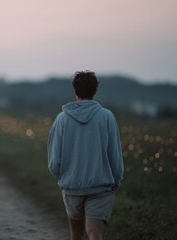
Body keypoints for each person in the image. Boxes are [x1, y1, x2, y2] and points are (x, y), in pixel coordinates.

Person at [47, 71, 124, 240]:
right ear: (95, 91)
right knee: (95, 233)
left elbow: (54, 160)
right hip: (101, 186)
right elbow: (115, 155)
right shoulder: (107, 117)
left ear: (75, 90)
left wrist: (61, 178)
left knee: (76, 233)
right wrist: (117, 179)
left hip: (72, 187)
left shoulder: (61, 119)